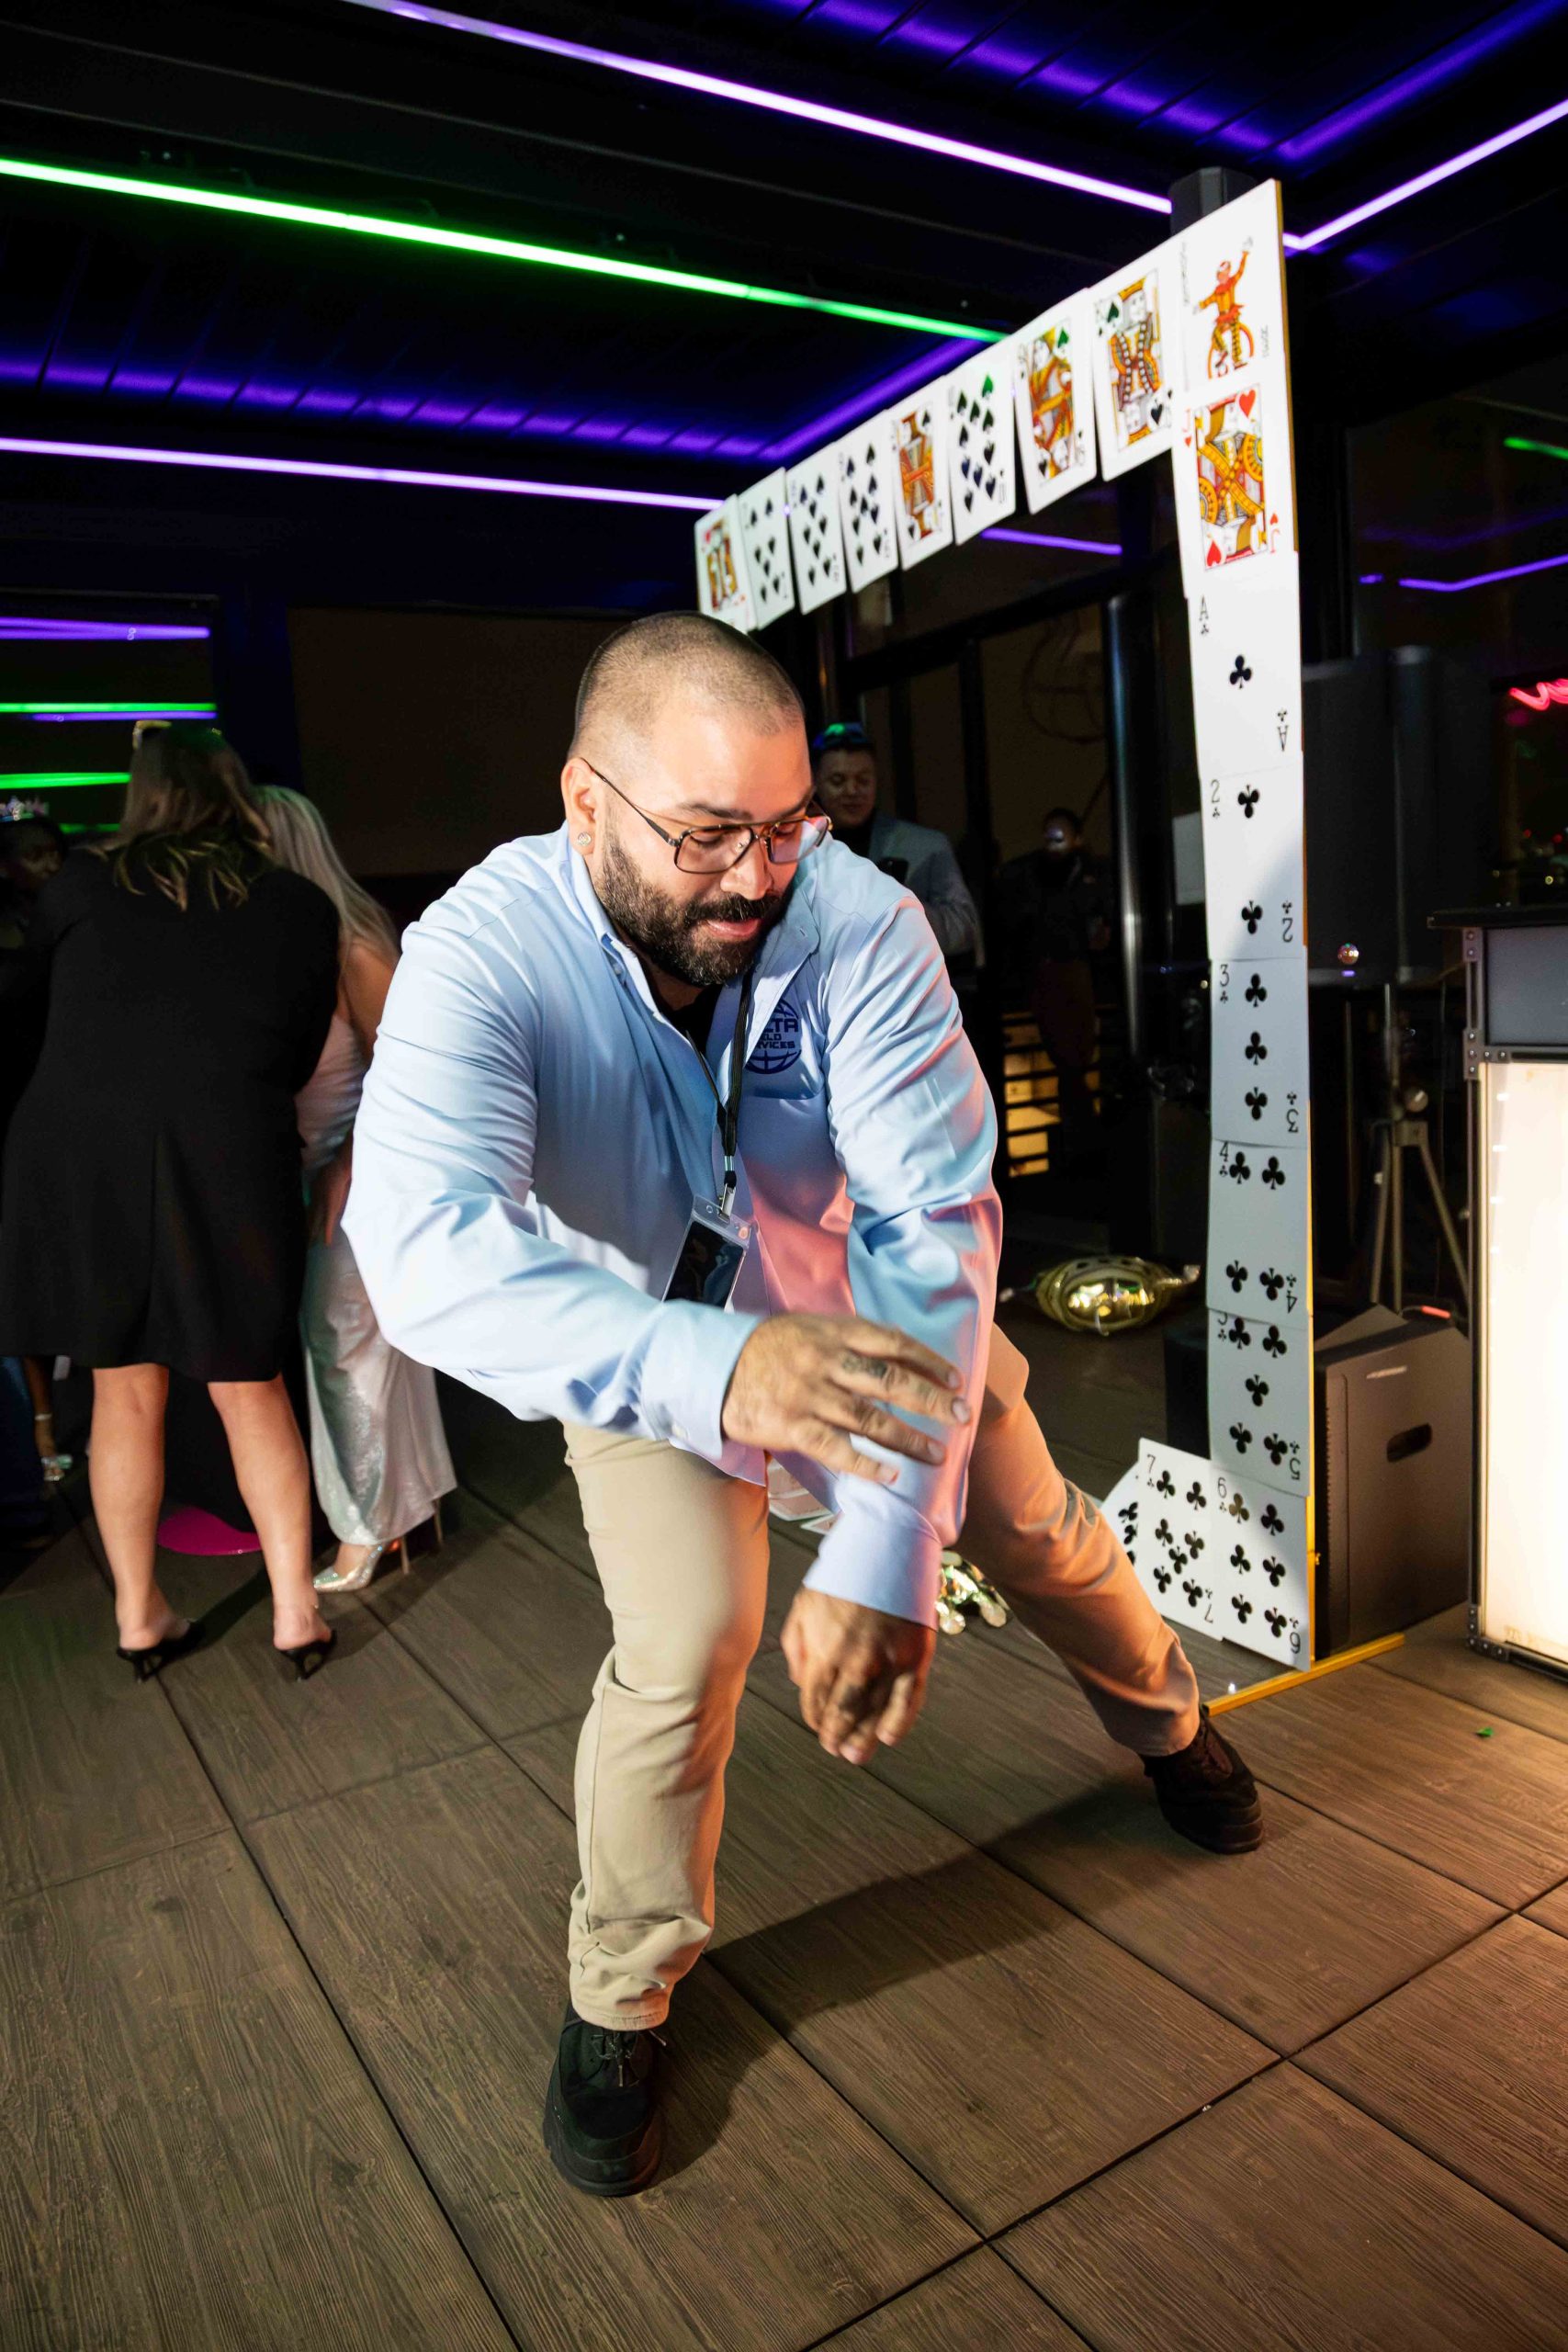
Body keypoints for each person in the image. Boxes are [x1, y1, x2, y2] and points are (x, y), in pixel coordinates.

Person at [345, 614, 1260, 2201]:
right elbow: (422, 1251)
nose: (756, 878)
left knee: (1037, 1531)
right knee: (686, 1646)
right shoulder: (479, 955)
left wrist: (886, 1551)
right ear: (583, 801)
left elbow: (930, 1224)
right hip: (634, 1350)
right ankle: (621, 1993)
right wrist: (715, 1367)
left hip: (869, 1327)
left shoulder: (859, 921)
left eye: (784, 829)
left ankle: (1170, 1722)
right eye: (707, 835)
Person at [0, 723, 341, 1679]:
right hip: (230, 1150)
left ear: (141, 794)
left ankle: (139, 1615)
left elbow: (29, 1014)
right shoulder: (296, 905)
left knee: (122, 1388)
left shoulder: (79, 887)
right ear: (236, 793)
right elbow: (297, 1049)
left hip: (84, 1157)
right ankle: (295, 1612)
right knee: (251, 1385)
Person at [257, 787, 454, 1593]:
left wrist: (346, 1161)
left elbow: (415, 1068)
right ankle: (407, 1511)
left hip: (365, 1167)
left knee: (343, 1343)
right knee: (361, 1344)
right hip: (314, 1170)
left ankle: (368, 1527)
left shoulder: (355, 947)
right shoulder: (288, 946)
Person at [0, 809, 73, 1485]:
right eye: (32, 854)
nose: (47, 864)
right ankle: (41, 1424)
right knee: (18, 1278)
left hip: (69, 1114)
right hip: (13, 1115)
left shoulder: (81, 922)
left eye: (53, 852)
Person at [808, 720, 980, 963]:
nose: (852, 790)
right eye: (838, 781)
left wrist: (902, 908)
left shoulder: (926, 846)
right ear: (815, 783)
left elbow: (965, 928)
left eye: (863, 780)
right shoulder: (800, 852)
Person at [998, 806, 1112, 1134]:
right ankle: (1081, 1129)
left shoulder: (1091, 875)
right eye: (1049, 834)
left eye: (1060, 835)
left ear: (1077, 839)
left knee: (1075, 1056)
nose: (1053, 841)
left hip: (1077, 969)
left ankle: (1081, 1128)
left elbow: (1101, 920)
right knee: (1066, 1058)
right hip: (1047, 971)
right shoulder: (1030, 874)